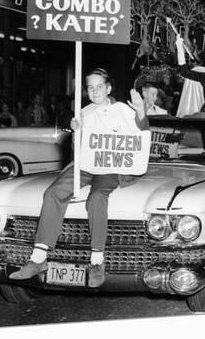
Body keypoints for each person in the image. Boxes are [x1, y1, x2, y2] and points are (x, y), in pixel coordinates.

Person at [9, 68, 148, 288]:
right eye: (90, 87)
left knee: (96, 198)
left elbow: (141, 130)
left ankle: (96, 262)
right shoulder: (83, 112)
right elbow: (79, 149)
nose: (95, 91)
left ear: (108, 88)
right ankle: (38, 259)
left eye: (99, 87)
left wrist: (141, 111)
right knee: (53, 193)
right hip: (85, 166)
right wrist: (77, 132)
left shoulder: (122, 109)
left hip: (111, 167)